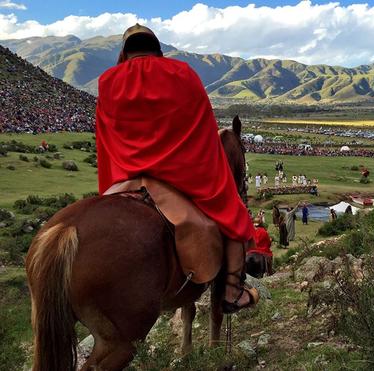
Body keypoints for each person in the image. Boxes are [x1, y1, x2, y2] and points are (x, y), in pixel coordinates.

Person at [95, 24, 257, 313]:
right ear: (158, 50)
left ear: (123, 53)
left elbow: (106, 137)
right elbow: (203, 129)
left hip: (127, 176)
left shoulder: (108, 80)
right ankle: (232, 291)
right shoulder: (182, 73)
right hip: (179, 176)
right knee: (233, 214)